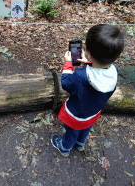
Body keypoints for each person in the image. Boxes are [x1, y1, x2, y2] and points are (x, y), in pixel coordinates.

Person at [51, 24, 125, 157]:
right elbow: (99, 71)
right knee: (85, 129)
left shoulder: (80, 75)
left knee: (71, 132)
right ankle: (80, 144)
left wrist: (68, 63)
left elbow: (66, 83)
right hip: (93, 114)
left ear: (89, 53)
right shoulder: (114, 71)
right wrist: (89, 63)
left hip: (76, 115)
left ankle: (64, 148)